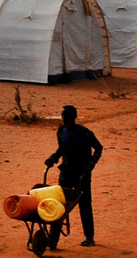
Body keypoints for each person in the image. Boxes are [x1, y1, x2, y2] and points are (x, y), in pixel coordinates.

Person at [44, 104, 104, 247]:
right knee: (59, 204)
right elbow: (62, 148)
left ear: (74, 117)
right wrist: (53, 158)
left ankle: (89, 236)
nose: (65, 119)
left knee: (84, 205)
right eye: (63, 116)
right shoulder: (61, 131)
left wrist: (90, 165)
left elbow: (98, 148)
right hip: (66, 172)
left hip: (81, 174)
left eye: (67, 116)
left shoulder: (85, 133)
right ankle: (53, 240)